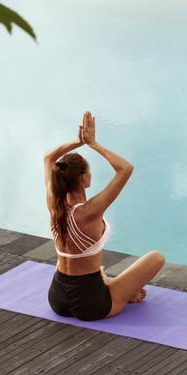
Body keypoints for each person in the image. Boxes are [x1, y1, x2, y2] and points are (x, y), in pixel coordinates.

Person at [42, 112, 165, 320]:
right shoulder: (90, 211)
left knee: (98, 270)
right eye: (89, 172)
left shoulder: (55, 205)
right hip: (92, 304)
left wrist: (77, 142)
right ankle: (125, 296)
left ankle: (114, 287)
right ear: (83, 178)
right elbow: (125, 168)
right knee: (156, 258)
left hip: (57, 299)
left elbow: (48, 157)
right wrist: (92, 144)